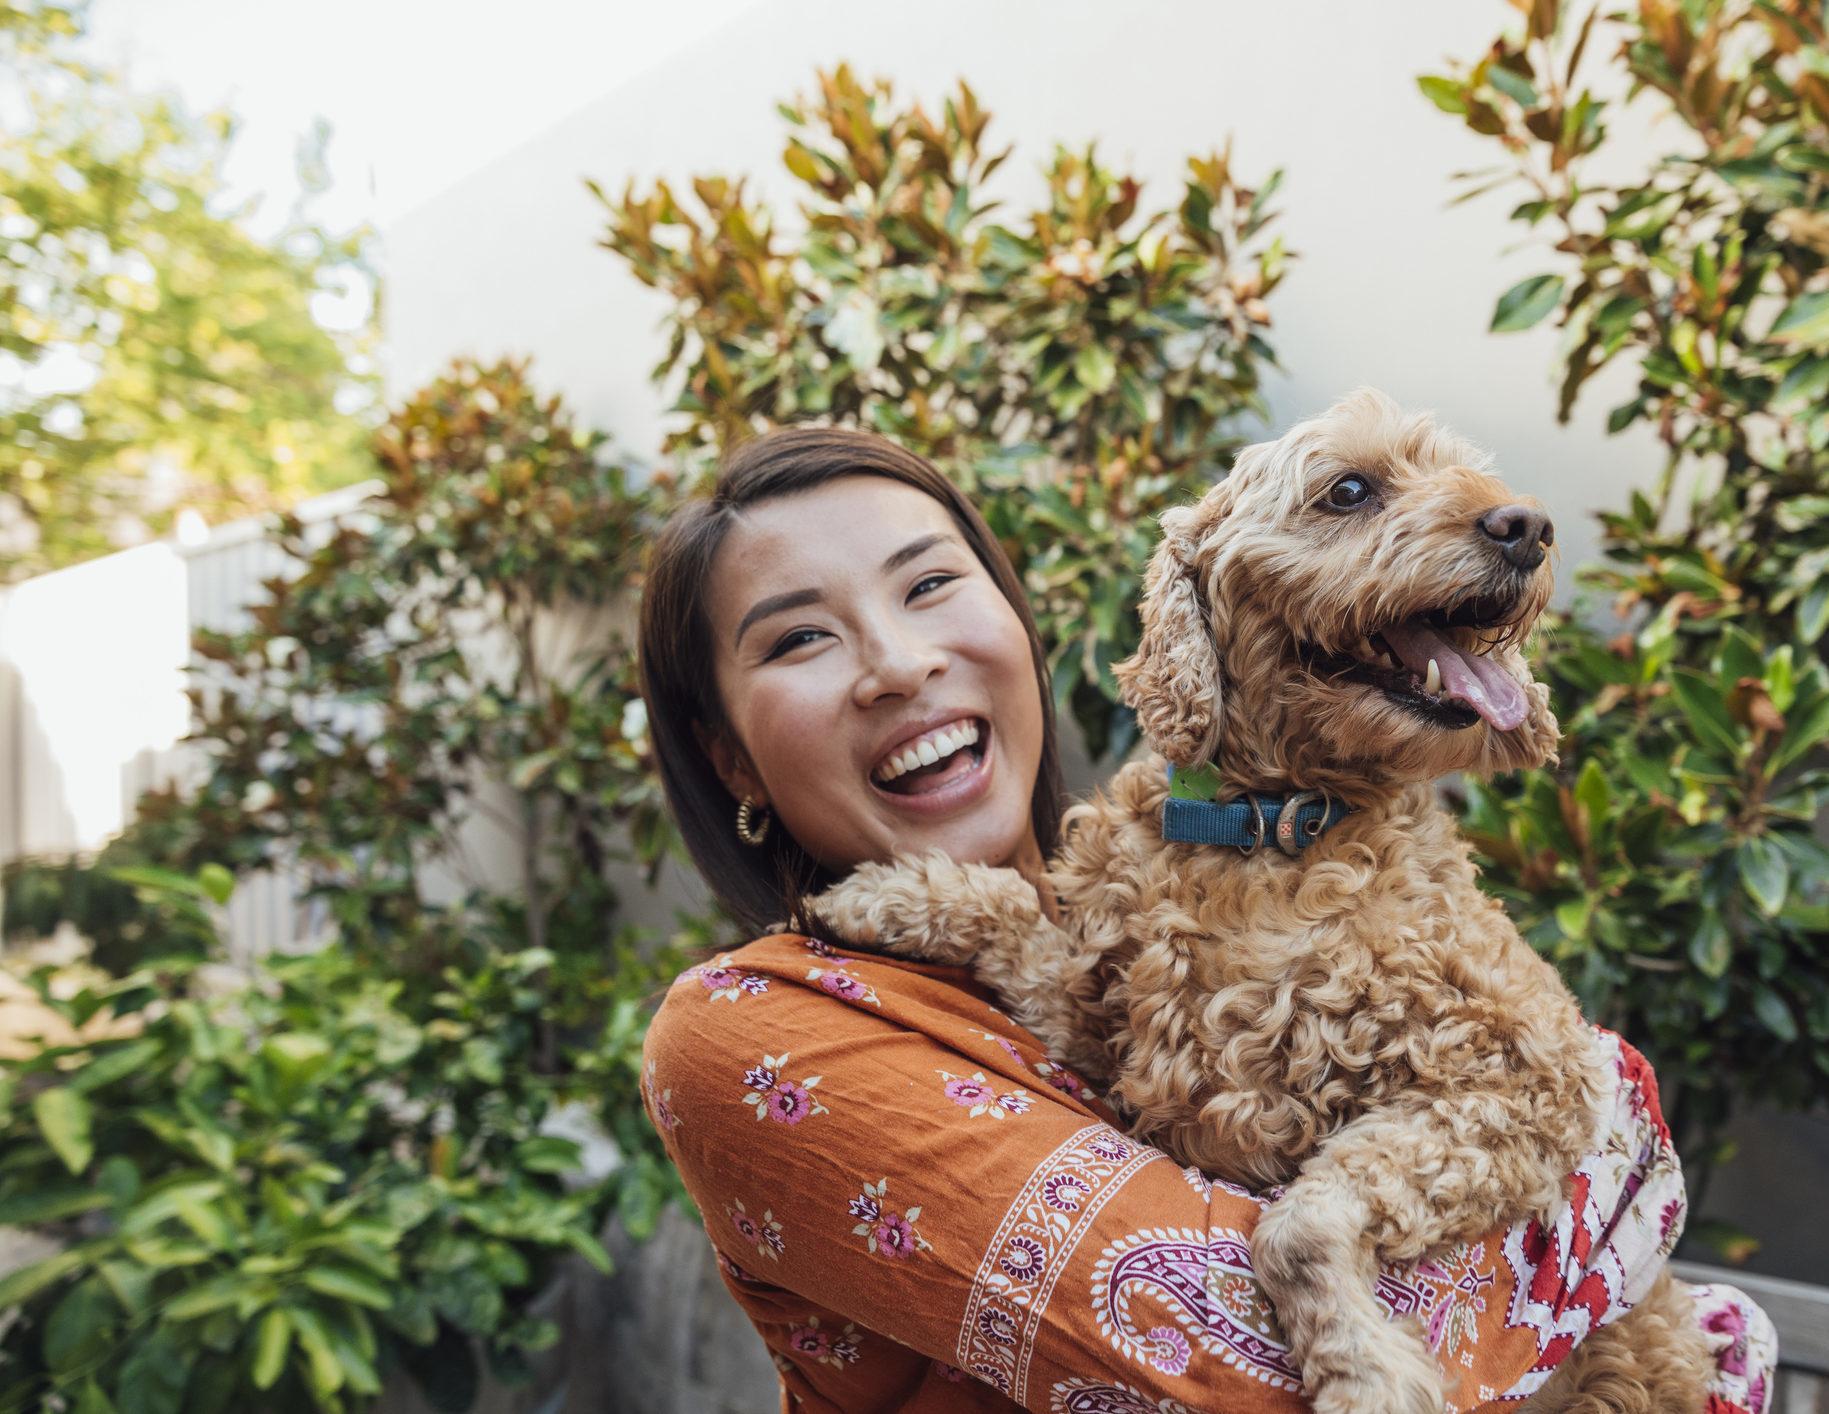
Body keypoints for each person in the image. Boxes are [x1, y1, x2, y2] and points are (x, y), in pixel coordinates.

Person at [635, 427, 1774, 1414]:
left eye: (929, 585)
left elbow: (1547, 1096)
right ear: (726, 751)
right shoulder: (748, 1034)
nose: (899, 661)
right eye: (797, 638)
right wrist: (1604, 1150)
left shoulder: (1166, 883)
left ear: (1014, 623)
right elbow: (1230, 1375)